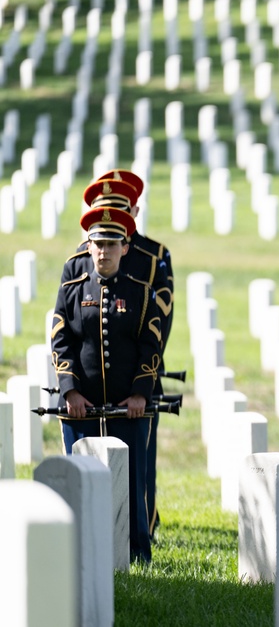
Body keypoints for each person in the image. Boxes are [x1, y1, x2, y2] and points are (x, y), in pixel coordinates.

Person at [62, 170, 174, 541]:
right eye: (99, 240)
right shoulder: (78, 264)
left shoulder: (153, 257)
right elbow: (66, 331)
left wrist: (143, 381)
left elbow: (155, 326)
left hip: (135, 380)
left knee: (138, 468)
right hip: (87, 388)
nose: (105, 248)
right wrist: (70, 386)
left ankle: (141, 533)